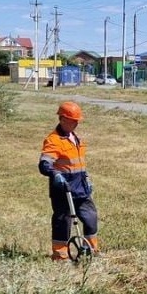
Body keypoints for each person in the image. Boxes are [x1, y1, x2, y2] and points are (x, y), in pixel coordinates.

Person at [38, 101, 99, 260]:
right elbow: (44, 164)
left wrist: (86, 178)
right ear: (63, 119)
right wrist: (55, 174)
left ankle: (90, 250)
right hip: (63, 189)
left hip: (81, 187)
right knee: (62, 221)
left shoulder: (75, 137)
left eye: (78, 120)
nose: (77, 123)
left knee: (90, 217)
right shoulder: (53, 140)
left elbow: (78, 162)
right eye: (74, 120)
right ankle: (60, 256)